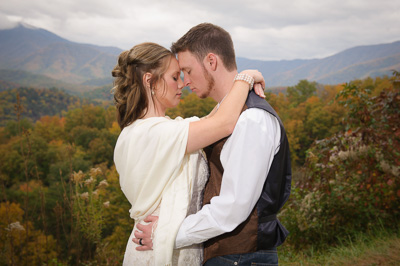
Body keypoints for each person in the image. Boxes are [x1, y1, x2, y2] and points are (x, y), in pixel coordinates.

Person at [134, 23, 292, 265]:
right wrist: (247, 77)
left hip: (241, 256)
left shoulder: (252, 119)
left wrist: (167, 234)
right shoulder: (223, 114)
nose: (185, 81)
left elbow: (233, 207)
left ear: (211, 61)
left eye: (187, 70)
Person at [112, 42, 265, 265]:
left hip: (176, 248)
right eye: (175, 77)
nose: (182, 84)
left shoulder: (161, 130)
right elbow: (224, 123)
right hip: (157, 252)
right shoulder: (151, 134)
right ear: (149, 81)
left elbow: (214, 119)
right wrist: (246, 77)